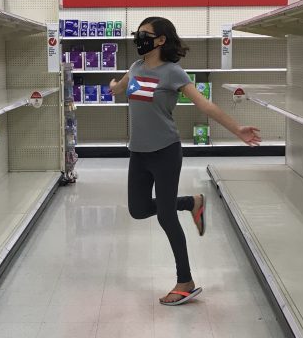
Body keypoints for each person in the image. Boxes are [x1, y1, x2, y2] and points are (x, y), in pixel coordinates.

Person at [110, 17, 261, 307]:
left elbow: (204, 104)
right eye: (137, 34)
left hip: (165, 151)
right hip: (138, 153)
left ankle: (185, 281)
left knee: (166, 217)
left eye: (145, 34)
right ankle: (192, 202)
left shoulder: (173, 73)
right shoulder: (136, 67)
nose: (139, 38)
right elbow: (121, 88)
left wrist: (237, 129)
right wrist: (114, 86)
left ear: (161, 40)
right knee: (138, 209)